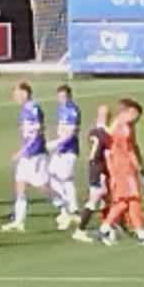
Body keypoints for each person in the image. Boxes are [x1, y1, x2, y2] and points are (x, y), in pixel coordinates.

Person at [97, 99, 144, 247]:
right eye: (136, 115)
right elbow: (129, 151)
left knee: (125, 201)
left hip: (121, 167)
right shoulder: (123, 128)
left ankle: (105, 229)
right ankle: (141, 235)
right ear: (130, 111)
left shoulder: (122, 125)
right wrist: (141, 169)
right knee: (133, 200)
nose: (137, 119)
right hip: (123, 168)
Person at [1, 81, 48, 232]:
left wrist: (22, 151)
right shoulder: (25, 110)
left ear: (25, 93)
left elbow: (37, 133)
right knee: (20, 184)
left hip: (34, 153)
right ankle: (19, 221)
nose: (14, 97)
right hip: (27, 153)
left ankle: (67, 208)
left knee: (41, 186)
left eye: (16, 93)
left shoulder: (34, 109)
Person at [71, 103, 113, 242]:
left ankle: (110, 226)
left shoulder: (93, 132)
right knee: (95, 199)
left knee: (106, 198)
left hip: (93, 166)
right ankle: (80, 230)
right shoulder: (107, 134)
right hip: (100, 168)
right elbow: (107, 155)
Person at [47, 84, 82, 230]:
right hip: (60, 150)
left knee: (65, 179)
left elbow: (71, 133)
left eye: (64, 96)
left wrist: (55, 144)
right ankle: (68, 207)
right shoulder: (61, 109)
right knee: (52, 176)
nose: (62, 99)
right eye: (60, 96)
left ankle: (70, 210)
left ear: (69, 96)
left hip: (69, 150)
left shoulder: (73, 111)